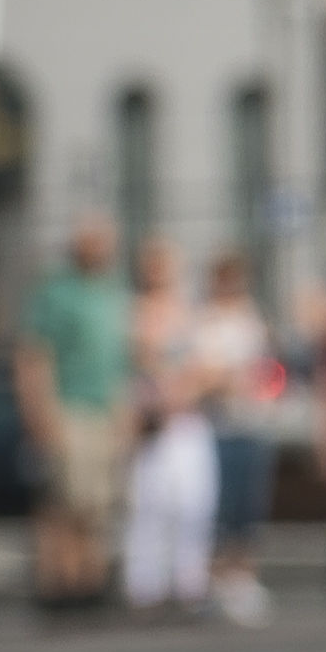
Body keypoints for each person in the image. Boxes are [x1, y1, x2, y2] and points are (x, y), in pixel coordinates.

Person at [17, 217, 133, 612]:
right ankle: (60, 585)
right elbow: (34, 359)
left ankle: (90, 582)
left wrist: (124, 412)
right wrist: (42, 416)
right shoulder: (57, 291)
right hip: (69, 408)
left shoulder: (112, 290)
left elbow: (120, 362)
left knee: (97, 505)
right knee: (64, 502)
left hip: (103, 409)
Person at [118, 237, 215, 614]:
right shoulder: (132, 312)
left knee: (193, 504)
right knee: (149, 505)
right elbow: (132, 365)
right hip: (150, 424)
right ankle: (146, 587)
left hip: (187, 421)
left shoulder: (189, 312)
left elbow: (206, 366)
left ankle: (189, 583)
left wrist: (185, 388)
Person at [196, 252, 286, 627]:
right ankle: (214, 581)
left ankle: (243, 578)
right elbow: (202, 372)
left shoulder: (251, 318)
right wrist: (227, 377)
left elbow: (269, 369)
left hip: (252, 423)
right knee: (219, 507)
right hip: (217, 427)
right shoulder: (205, 321)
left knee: (249, 507)